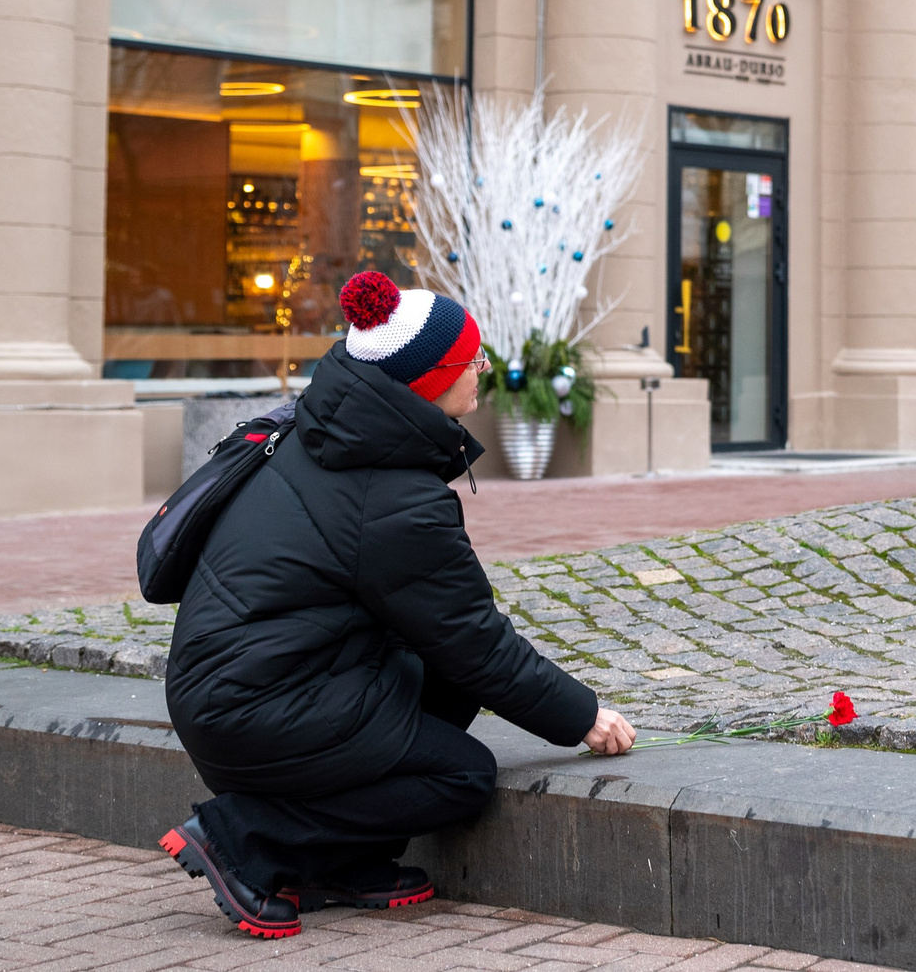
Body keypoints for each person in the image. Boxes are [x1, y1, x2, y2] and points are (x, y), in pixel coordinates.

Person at [158, 270, 635, 937]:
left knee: (441, 670)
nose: (483, 369)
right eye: (471, 358)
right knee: (462, 774)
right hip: (254, 709)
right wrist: (582, 715)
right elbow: (477, 641)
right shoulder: (391, 497)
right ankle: (246, 839)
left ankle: (340, 864)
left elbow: (451, 640)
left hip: (239, 688)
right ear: (426, 380)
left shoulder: (330, 433)